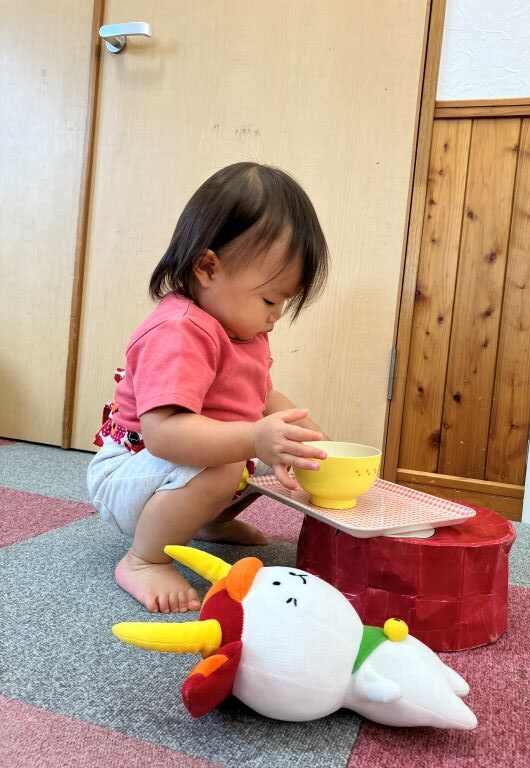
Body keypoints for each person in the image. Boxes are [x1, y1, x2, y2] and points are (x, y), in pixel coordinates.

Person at [87, 162, 329, 615]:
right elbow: (164, 434)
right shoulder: (179, 330)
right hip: (129, 472)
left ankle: (207, 521)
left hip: (177, 470)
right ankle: (144, 559)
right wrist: (254, 437)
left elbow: (263, 399)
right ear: (207, 268)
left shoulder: (246, 333)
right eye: (270, 299)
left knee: (271, 459)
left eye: (283, 302)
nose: (276, 315)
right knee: (232, 459)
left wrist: (300, 433)